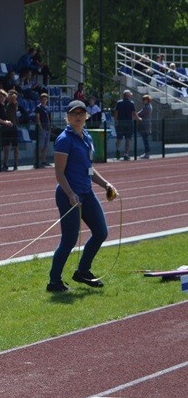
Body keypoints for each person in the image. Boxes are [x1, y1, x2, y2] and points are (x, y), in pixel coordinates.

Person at [47, 99, 118, 293]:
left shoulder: (87, 137)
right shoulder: (64, 139)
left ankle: (83, 271)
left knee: (101, 232)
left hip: (86, 193)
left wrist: (106, 185)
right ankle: (54, 281)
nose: (77, 117)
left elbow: (89, 169)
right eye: (73, 113)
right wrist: (70, 194)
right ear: (67, 117)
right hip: (68, 196)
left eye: (81, 113)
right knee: (69, 240)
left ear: (86, 116)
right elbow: (59, 173)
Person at [113, 90, 139, 161]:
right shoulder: (131, 103)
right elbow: (134, 113)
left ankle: (118, 149)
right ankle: (126, 154)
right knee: (128, 139)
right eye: (130, 95)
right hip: (128, 123)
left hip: (120, 123)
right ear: (128, 96)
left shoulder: (119, 103)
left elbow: (116, 113)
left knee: (119, 138)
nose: (131, 96)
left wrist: (116, 122)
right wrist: (138, 119)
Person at [34, 92, 52, 168]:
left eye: (45, 99)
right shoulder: (38, 108)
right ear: (40, 100)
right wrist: (40, 127)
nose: (44, 100)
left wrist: (50, 126)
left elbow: (49, 118)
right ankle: (36, 161)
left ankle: (43, 160)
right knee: (40, 145)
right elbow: (37, 118)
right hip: (42, 128)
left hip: (47, 128)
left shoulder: (47, 108)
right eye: (43, 99)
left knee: (46, 146)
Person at [3, 90, 20, 170]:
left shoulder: (14, 104)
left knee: (15, 146)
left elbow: (13, 98)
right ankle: (5, 163)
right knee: (6, 146)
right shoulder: (6, 105)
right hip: (7, 127)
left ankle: (15, 163)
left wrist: (12, 93)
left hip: (13, 127)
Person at [138, 94, 153, 159]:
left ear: (147, 100)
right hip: (146, 124)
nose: (143, 101)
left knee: (145, 139)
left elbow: (140, 113)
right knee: (145, 139)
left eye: (144, 100)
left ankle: (147, 153)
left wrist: (135, 114)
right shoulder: (147, 106)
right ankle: (146, 152)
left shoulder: (147, 107)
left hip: (145, 125)